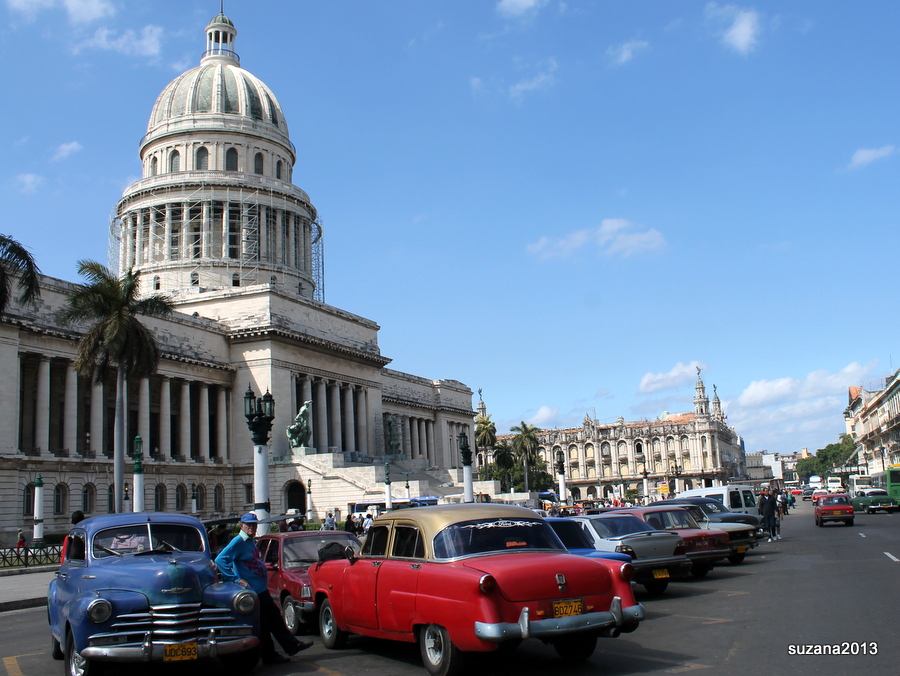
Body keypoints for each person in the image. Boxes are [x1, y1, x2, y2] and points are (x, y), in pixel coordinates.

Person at [215, 513, 313, 665]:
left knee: (270, 620)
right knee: (267, 622)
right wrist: (235, 579)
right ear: (242, 525)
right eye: (249, 525)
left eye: (254, 525)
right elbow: (220, 560)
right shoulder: (239, 541)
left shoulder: (250, 541)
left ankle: (284, 648)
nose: (252, 527)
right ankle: (278, 651)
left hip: (260, 589)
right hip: (253, 591)